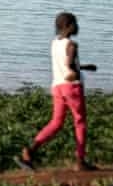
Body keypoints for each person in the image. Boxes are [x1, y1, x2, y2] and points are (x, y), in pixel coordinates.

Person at [16, 11, 98, 172]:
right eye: (75, 23)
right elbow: (69, 64)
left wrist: (84, 67)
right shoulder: (72, 45)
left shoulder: (55, 43)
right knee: (80, 123)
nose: (78, 27)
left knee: (56, 123)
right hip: (72, 87)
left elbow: (64, 63)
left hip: (57, 87)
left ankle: (30, 152)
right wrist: (74, 72)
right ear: (68, 26)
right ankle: (80, 161)